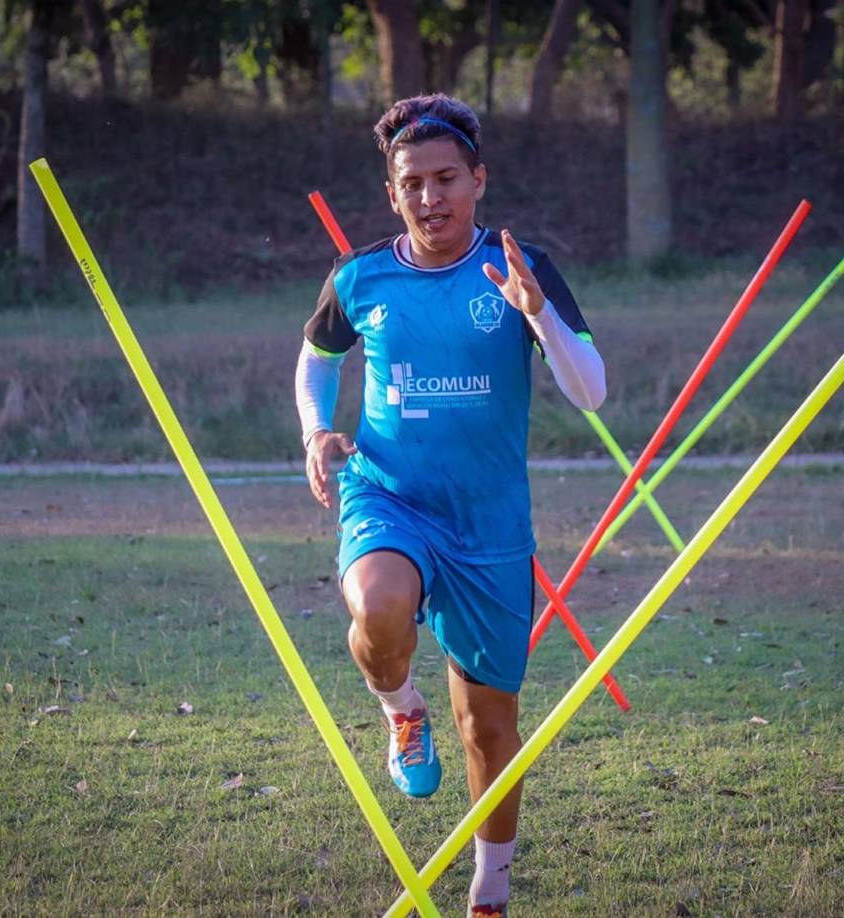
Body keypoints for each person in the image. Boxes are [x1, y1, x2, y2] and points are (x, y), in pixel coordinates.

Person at [295, 93, 606, 917]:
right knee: (379, 604)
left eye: (445, 179)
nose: (430, 197)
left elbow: (592, 393)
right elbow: (317, 358)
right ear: (392, 192)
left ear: (478, 180)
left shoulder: (519, 268)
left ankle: (490, 889)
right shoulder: (360, 277)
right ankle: (401, 710)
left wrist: (539, 318)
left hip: (491, 531)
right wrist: (317, 432)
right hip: (389, 497)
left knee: (489, 731)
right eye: (411, 184)